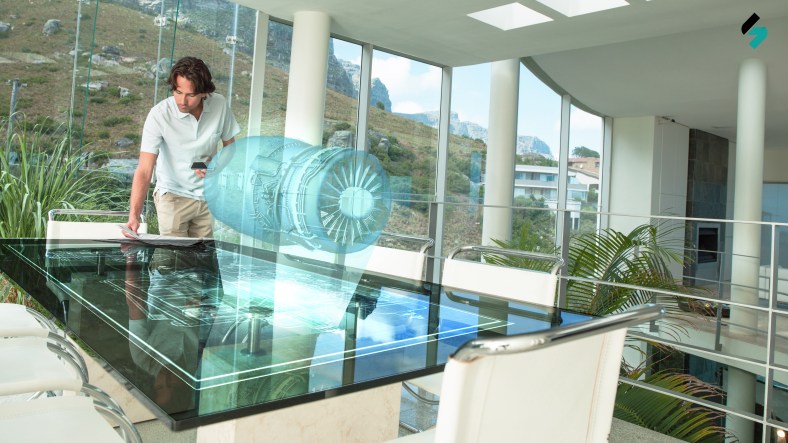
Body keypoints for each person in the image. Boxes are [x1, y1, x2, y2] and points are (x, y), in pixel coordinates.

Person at [125, 56, 241, 238]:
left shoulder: (219, 105)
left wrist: (216, 166)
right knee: (173, 261)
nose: (182, 101)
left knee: (201, 262)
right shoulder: (159, 115)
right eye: (178, 92)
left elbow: (230, 147)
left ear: (204, 92)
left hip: (208, 198)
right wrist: (134, 215)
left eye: (191, 95)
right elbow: (144, 170)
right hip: (172, 196)